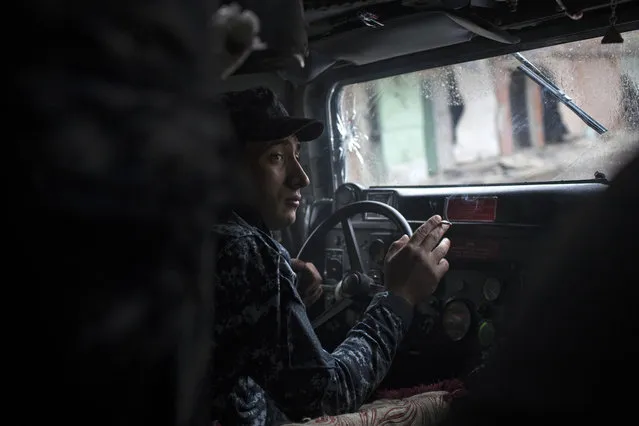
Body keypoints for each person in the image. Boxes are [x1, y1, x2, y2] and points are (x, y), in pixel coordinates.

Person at [211, 86, 452, 425]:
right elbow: (327, 396)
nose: (302, 177)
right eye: (276, 157)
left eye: (297, 154)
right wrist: (398, 298)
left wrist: (282, 284)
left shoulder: (186, 232)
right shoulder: (246, 250)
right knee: (449, 403)